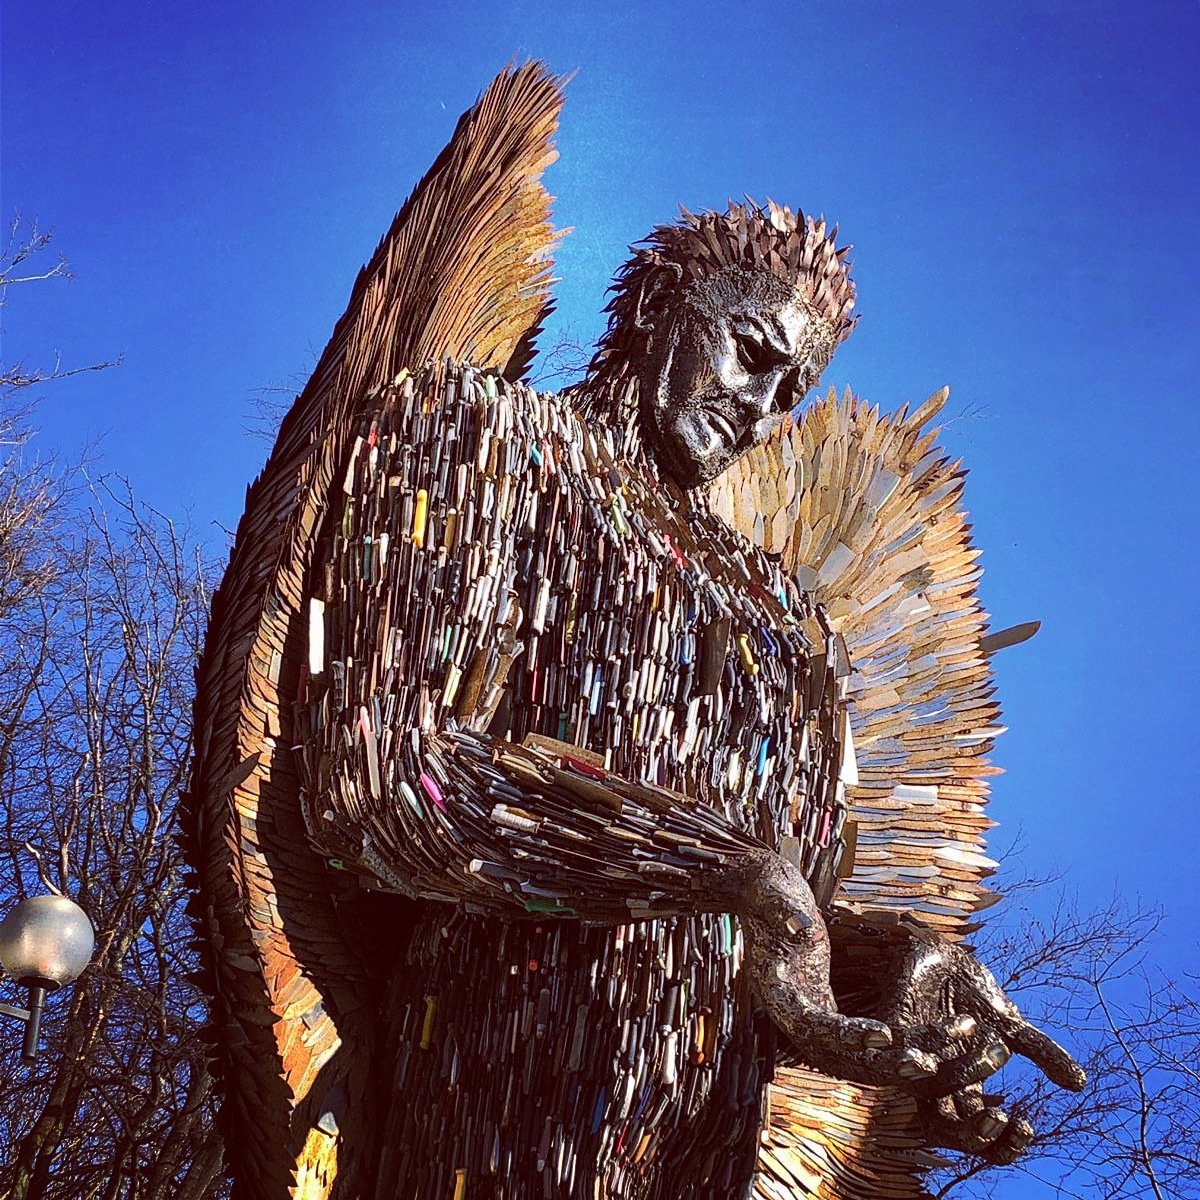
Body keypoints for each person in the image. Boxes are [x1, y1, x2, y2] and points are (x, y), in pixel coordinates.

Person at [186, 63, 1082, 1200]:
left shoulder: (791, 622)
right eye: (753, 354)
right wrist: (720, 865)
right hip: (494, 1107)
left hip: (707, 1140)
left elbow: (790, 911)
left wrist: (900, 986)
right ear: (662, 305)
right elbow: (384, 784)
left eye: (792, 390)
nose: (761, 412)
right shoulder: (486, 441)